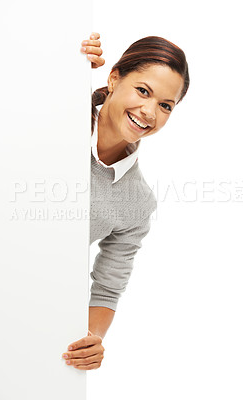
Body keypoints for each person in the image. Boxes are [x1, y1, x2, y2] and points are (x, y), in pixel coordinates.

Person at [62, 32, 189, 371]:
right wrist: (61, 59)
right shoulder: (58, 113)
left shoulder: (138, 202)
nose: (149, 112)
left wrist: (91, 338)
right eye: (143, 91)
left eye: (165, 105)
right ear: (114, 77)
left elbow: (107, 289)